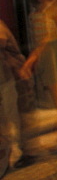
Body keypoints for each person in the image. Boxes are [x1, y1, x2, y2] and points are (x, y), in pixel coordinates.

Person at [0, 19, 27, 170]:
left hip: (5, 79)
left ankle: (16, 152)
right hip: (4, 79)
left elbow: (2, 42)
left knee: (10, 117)